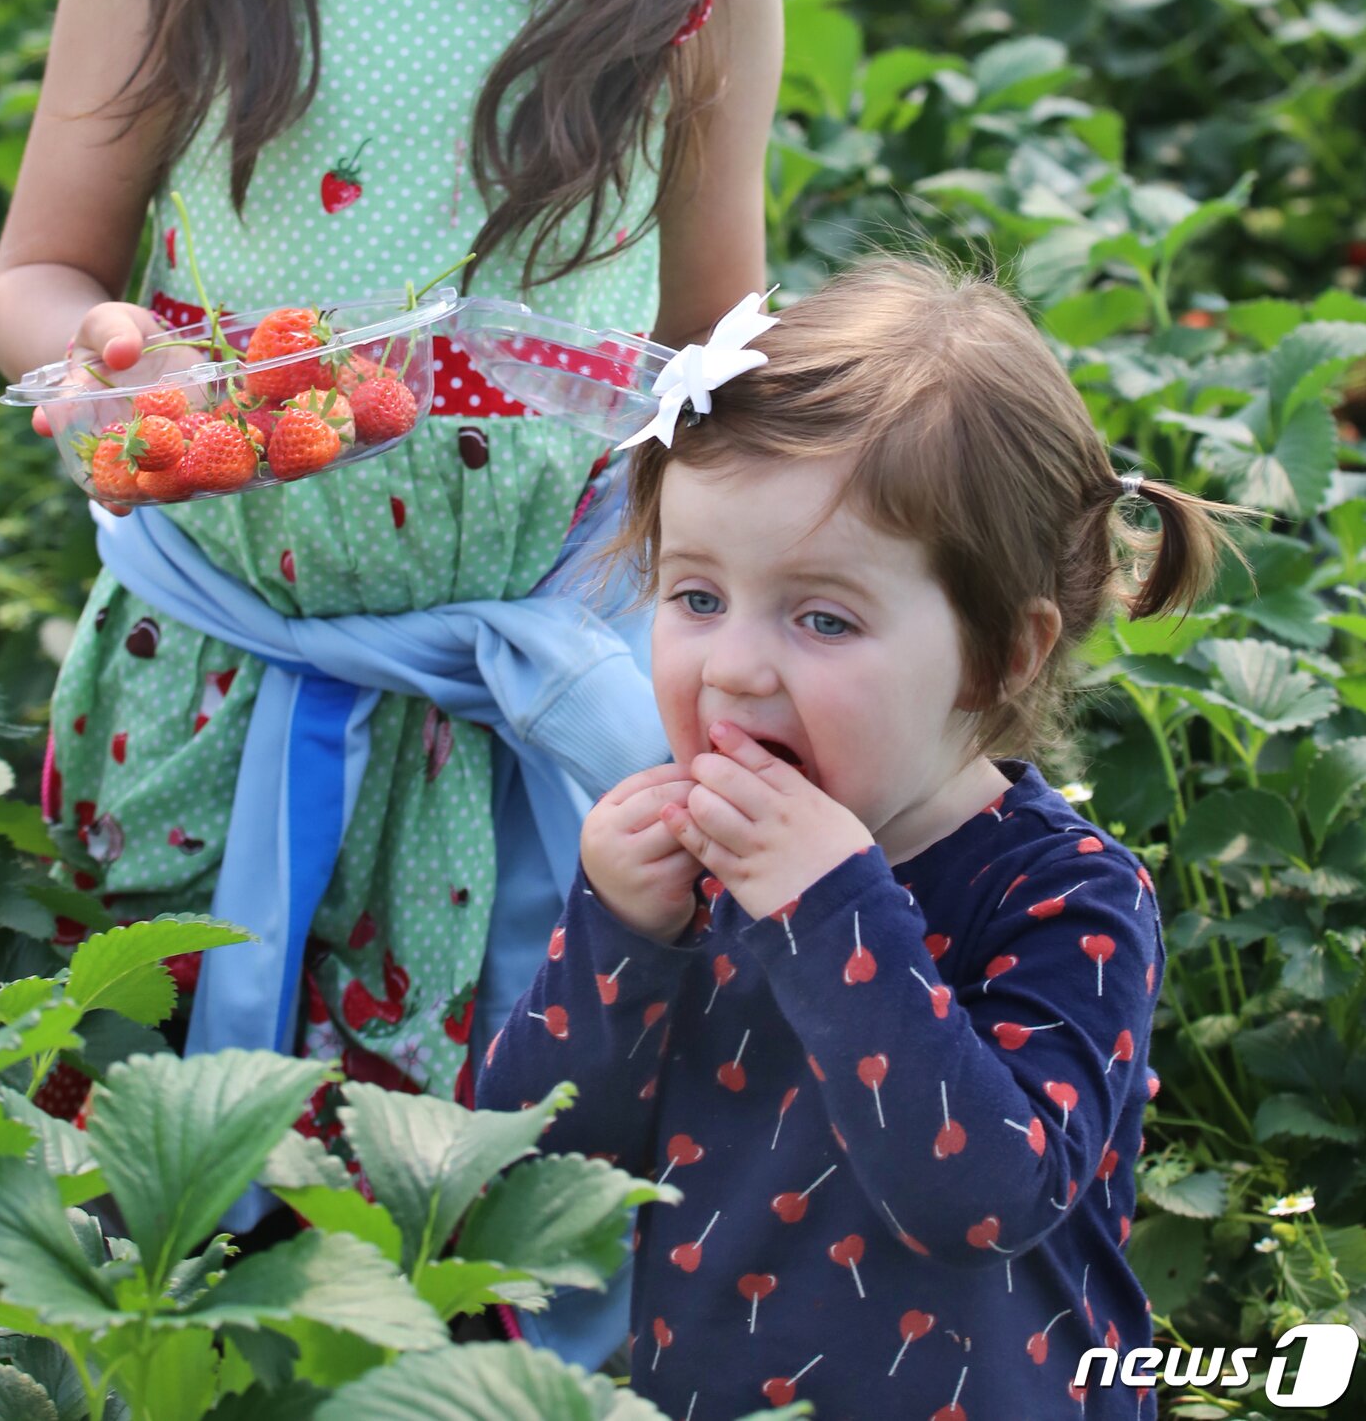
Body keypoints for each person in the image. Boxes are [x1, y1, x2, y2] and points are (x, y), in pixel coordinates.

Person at [0, 0, 791, 1333]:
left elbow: (720, 353)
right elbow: (40, 270)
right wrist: (121, 367)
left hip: (526, 712)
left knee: (466, 1228)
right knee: (151, 1195)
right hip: (209, 677)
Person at [477, 252, 1233, 1418]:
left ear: (1001, 653)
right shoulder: (692, 875)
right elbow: (532, 1176)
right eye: (693, 596)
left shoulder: (1065, 894)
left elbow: (982, 1195)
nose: (731, 664)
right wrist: (619, 934)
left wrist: (829, 905)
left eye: (822, 615)